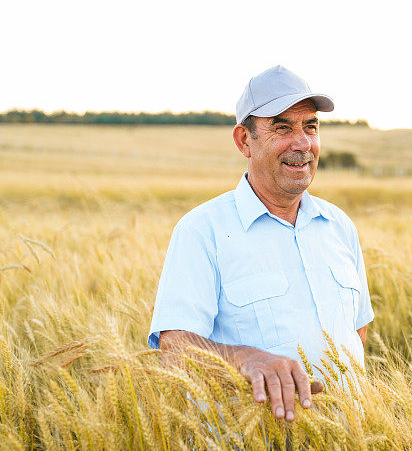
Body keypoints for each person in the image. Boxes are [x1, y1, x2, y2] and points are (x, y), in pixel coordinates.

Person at [147, 65, 374, 424]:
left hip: (352, 436)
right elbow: (174, 352)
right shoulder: (201, 231)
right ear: (243, 141)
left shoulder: (339, 227)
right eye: (282, 127)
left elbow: (357, 336)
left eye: (310, 126)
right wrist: (244, 358)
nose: (302, 143)